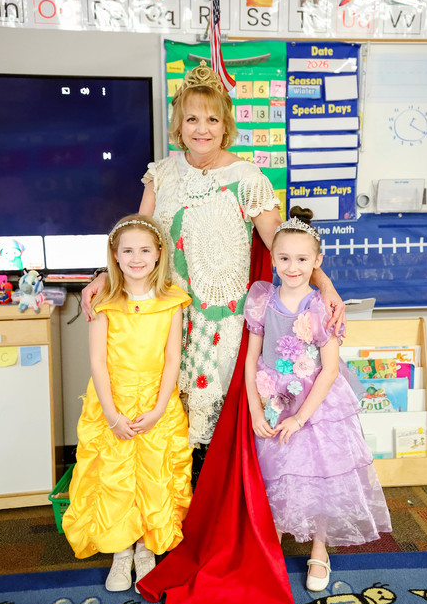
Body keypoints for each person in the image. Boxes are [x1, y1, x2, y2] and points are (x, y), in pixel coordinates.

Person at [82, 60, 345, 484]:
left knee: (215, 430)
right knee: (166, 416)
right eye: (191, 119)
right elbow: (136, 238)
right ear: (178, 124)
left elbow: (285, 247)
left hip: (223, 324)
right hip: (164, 317)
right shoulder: (161, 175)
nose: (201, 129)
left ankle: (211, 512)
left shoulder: (247, 178)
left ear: (226, 126)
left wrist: (326, 285)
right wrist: (102, 275)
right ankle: (167, 511)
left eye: (211, 119)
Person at [244, 207, 392, 591]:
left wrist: (301, 418)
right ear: (272, 258)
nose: (292, 267)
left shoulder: (320, 306)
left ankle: (319, 549)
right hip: (273, 397)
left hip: (316, 403)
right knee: (277, 471)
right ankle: (271, 548)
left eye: (302, 259)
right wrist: (255, 408)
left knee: (320, 473)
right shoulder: (262, 299)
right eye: (284, 258)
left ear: (317, 261)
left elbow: (328, 370)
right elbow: (251, 358)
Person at [63, 214, 193, 592]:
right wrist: (111, 415)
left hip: (157, 402)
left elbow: (173, 358)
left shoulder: (172, 301)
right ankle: (121, 552)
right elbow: (97, 362)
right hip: (113, 400)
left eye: (145, 250)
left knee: (154, 475)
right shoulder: (105, 301)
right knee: (116, 477)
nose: (137, 258)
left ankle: (145, 551)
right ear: (115, 256)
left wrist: (158, 409)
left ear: (159, 254)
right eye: (128, 251)